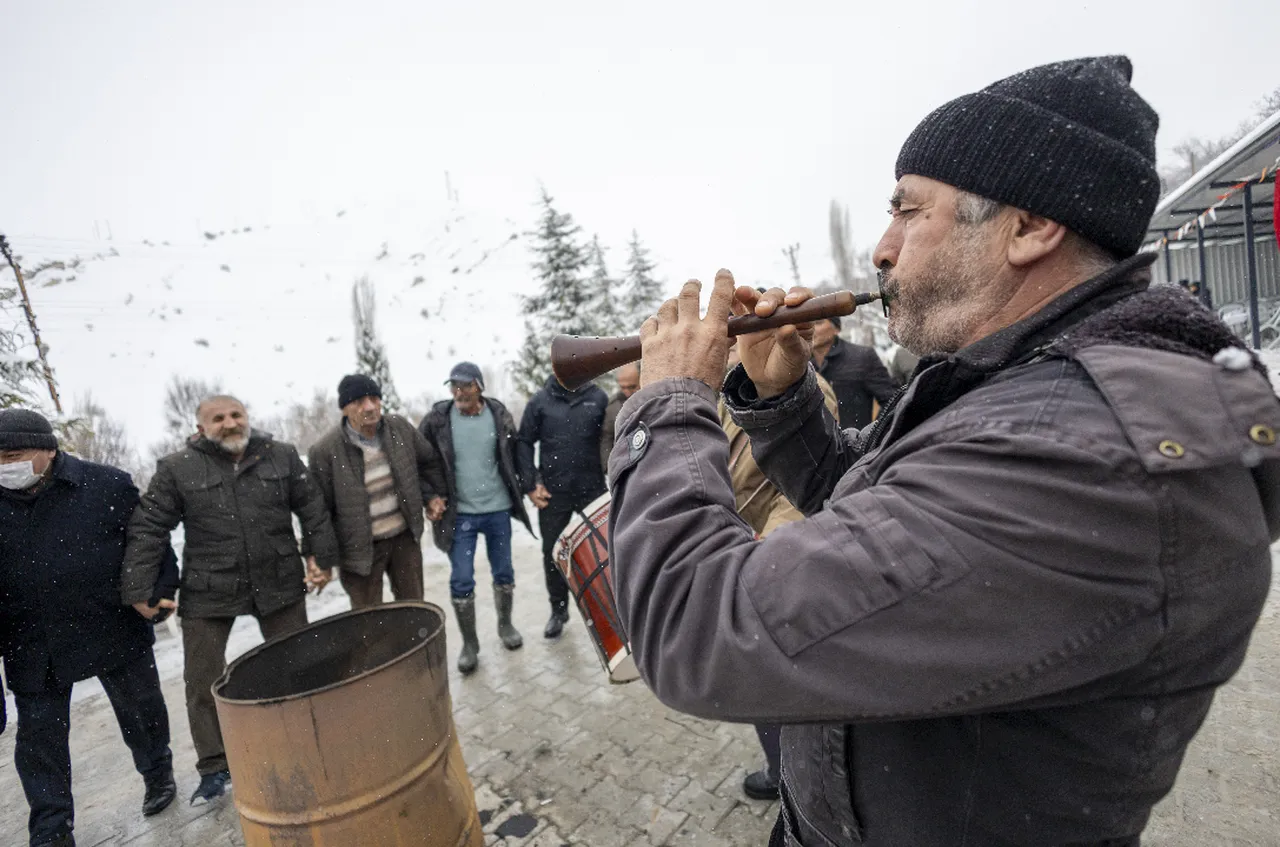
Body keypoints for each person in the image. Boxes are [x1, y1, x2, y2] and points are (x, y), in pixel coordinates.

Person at [606, 56, 1278, 847]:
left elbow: (697, 627)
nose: (881, 250)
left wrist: (670, 400)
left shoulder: (1076, 453)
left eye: (907, 211)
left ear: (1029, 227)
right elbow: (874, 516)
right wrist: (785, 403)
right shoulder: (1017, 388)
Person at [122, 395, 340, 805]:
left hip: (278, 579)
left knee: (299, 664)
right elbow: (149, 526)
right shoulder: (178, 468)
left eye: (236, 415)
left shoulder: (281, 455)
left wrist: (321, 557)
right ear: (200, 427)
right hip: (209, 587)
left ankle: (307, 740)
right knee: (202, 680)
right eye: (217, 418)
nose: (229, 423)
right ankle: (215, 765)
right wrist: (140, 589)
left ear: (247, 418)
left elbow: (312, 508)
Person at [0, 409, 176, 847]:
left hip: (109, 624)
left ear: (49, 449)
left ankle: (158, 774)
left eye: (13, 455)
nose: (4, 466)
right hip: (32, 640)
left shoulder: (105, 485)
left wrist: (158, 591)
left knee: (141, 711)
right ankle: (51, 827)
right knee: (39, 741)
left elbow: (148, 544)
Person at [717, 348, 840, 802]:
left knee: (772, 677)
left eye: (733, 341)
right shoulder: (731, 394)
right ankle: (781, 768)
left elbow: (810, 484)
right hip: (746, 546)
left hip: (777, 560)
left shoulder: (805, 392)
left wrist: (768, 546)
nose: (725, 350)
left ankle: (793, 780)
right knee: (756, 679)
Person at [419, 362, 534, 673]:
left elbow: (515, 453)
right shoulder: (438, 420)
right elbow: (422, 462)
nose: (458, 391)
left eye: (465, 385)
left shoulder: (498, 415)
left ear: (479, 387)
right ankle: (470, 645)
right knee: (461, 579)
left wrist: (530, 486)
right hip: (462, 515)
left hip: (497, 510)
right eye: (453, 385)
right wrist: (430, 495)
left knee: (504, 572)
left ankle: (505, 626)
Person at [307, 374, 447, 608]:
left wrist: (432, 496)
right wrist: (322, 557)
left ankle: (414, 645)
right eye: (359, 402)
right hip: (359, 551)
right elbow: (319, 511)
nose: (370, 407)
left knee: (414, 609)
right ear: (344, 409)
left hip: (404, 539)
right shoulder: (325, 451)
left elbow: (427, 462)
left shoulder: (399, 428)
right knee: (368, 621)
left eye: (374, 398)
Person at [517, 374, 608, 638]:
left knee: (604, 552)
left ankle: (610, 609)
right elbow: (523, 442)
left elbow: (610, 438)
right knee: (553, 552)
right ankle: (558, 610)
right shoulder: (540, 401)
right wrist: (531, 484)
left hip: (592, 488)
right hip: (554, 492)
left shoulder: (597, 398)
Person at [810, 315, 899, 429]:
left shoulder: (862, 357)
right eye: (807, 324)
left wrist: (874, 433)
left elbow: (892, 400)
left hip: (854, 443)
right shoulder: (800, 364)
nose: (811, 328)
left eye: (818, 322)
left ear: (836, 329)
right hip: (816, 444)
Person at [599, 363, 641, 470]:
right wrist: (608, 467)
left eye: (632, 387)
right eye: (623, 387)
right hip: (624, 465)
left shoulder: (654, 399)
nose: (627, 392)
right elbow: (607, 437)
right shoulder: (613, 406)